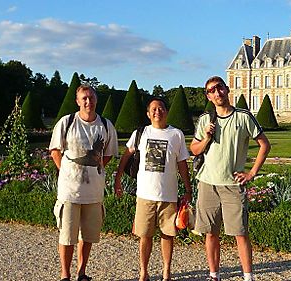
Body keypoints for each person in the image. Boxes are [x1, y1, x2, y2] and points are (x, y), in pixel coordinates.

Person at [190, 76, 271, 281]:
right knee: (210, 233)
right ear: (208, 96)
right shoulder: (205, 120)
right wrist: (207, 137)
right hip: (208, 182)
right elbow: (194, 149)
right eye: (211, 91)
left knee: (240, 233)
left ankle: (248, 277)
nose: (217, 93)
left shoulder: (243, 117)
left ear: (227, 89)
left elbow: (264, 145)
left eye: (219, 88)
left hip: (232, 184)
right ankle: (214, 275)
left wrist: (251, 173)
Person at [115, 97, 193, 281]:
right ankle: (144, 271)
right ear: (148, 114)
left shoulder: (176, 134)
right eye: (154, 109)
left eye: (161, 108)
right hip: (145, 194)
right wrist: (118, 179)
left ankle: (166, 271)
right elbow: (126, 156)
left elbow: (182, 164)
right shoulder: (140, 133)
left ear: (166, 112)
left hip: (168, 195)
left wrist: (188, 189)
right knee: (145, 236)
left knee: (168, 235)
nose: (158, 111)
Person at [49, 85, 118, 281]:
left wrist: (94, 166)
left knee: (88, 236)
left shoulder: (105, 125)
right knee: (67, 236)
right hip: (70, 191)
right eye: (84, 98)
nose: (88, 102)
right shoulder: (67, 122)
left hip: (94, 192)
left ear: (96, 100)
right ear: (78, 101)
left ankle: (81, 272)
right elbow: (55, 150)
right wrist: (66, 171)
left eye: (91, 98)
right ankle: (65, 274)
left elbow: (109, 153)